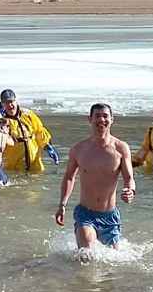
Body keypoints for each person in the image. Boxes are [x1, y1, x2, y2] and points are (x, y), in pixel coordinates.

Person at [54, 103, 135, 249]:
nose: (101, 120)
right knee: (87, 252)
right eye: (97, 116)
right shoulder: (78, 149)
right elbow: (69, 177)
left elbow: (129, 178)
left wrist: (130, 191)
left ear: (112, 119)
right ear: (90, 119)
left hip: (109, 215)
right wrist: (62, 205)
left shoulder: (121, 148)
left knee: (114, 262)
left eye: (105, 116)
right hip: (85, 213)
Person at [0, 88, 59, 173]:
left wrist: (47, 146)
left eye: (11, 102)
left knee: (36, 181)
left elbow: (39, 130)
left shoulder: (28, 114)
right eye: (6, 103)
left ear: (16, 101)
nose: (10, 105)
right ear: (2, 104)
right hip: (13, 164)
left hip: (34, 160)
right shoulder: (1, 120)